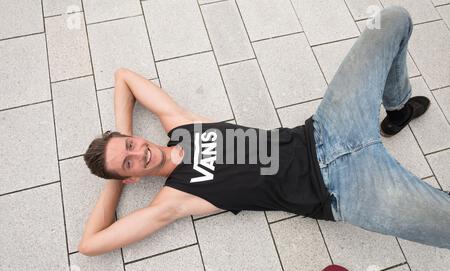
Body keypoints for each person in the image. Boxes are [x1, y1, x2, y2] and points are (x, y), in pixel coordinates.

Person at [79, 6, 450, 257]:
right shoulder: (173, 200)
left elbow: (123, 77)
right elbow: (91, 244)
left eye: (131, 145)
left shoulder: (179, 126)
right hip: (342, 189)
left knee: (393, 19)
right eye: (129, 164)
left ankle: (397, 112)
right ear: (130, 180)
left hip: (327, 129)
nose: (139, 152)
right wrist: (113, 178)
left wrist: (118, 143)